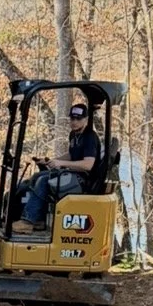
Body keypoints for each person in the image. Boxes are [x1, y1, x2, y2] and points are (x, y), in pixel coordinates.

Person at [17, 97, 101, 229]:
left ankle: (28, 222)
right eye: (72, 119)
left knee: (44, 181)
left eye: (78, 119)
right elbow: (71, 155)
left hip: (83, 179)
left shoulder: (90, 137)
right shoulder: (74, 135)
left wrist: (61, 163)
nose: (74, 122)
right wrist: (51, 161)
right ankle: (39, 219)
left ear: (85, 119)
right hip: (74, 174)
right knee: (37, 177)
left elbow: (88, 164)